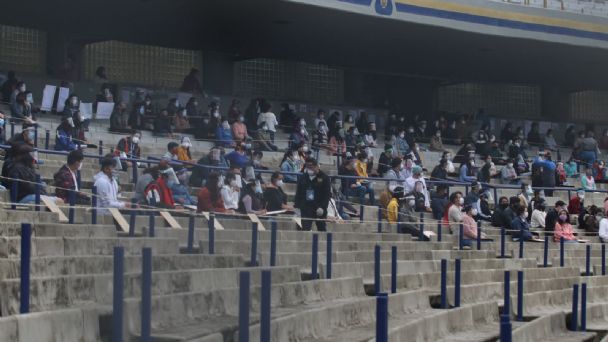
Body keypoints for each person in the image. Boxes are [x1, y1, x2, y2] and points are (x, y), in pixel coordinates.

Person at [294, 158, 331, 231]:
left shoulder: (324, 178)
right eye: (307, 166)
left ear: (316, 166)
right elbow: (299, 192)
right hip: (306, 207)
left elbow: (326, 195)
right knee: (305, 228)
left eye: (311, 166)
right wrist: (297, 206)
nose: (309, 168)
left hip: (318, 207)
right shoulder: (303, 177)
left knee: (321, 228)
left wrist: (322, 207)